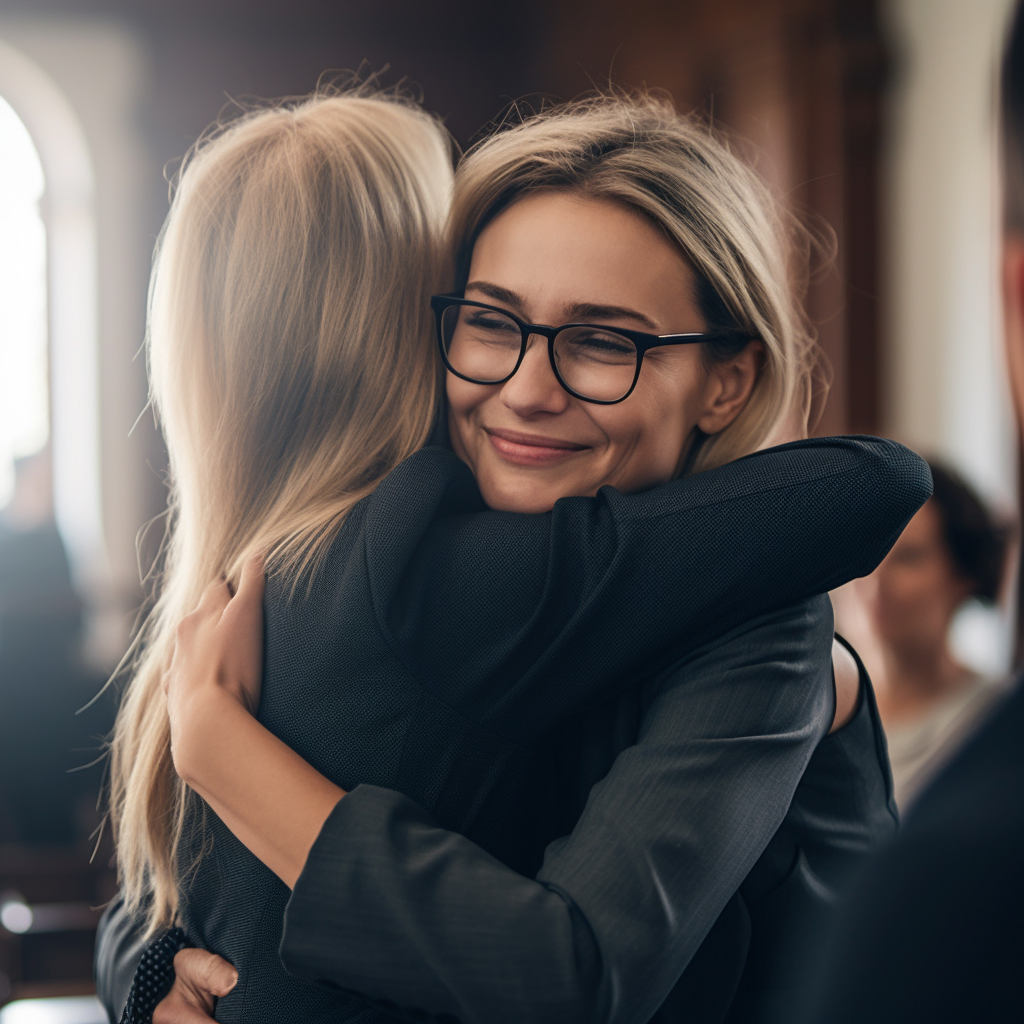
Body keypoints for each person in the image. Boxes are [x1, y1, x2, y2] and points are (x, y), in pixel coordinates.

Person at [97, 92, 930, 1024]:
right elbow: (158, 885)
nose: (529, 391)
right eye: (491, 323)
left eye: (604, 342)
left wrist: (223, 747)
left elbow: (568, 979)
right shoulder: (413, 555)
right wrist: (149, 971)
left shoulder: (756, 620)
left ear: (725, 383)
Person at [792, 8, 1024, 1022]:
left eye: (916, 558)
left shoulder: (984, 781)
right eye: (866, 561)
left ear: (970, 574)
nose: (880, 584)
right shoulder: (814, 724)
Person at [867, 459, 1010, 807]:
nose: (875, 578)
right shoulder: (819, 712)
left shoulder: (995, 720)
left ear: (962, 576)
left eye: (908, 557)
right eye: (869, 552)